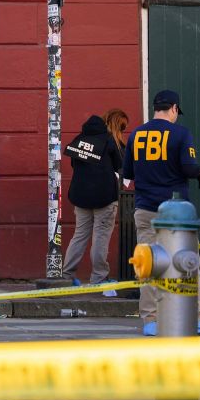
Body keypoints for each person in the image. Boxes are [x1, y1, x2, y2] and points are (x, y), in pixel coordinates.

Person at [122, 89, 200, 336]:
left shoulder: (136, 134)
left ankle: (151, 319)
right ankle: (192, 318)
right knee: (187, 263)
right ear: (174, 108)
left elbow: (128, 174)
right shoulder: (181, 133)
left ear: (155, 108)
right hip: (177, 215)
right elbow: (187, 166)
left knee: (150, 264)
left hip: (145, 209)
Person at [61, 111, 124, 294]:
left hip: (80, 196)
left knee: (79, 235)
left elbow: (74, 165)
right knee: (100, 237)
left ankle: (67, 275)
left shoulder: (79, 141)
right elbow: (119, 165)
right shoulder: (108, 141)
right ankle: (99, 277)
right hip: (104, 197)